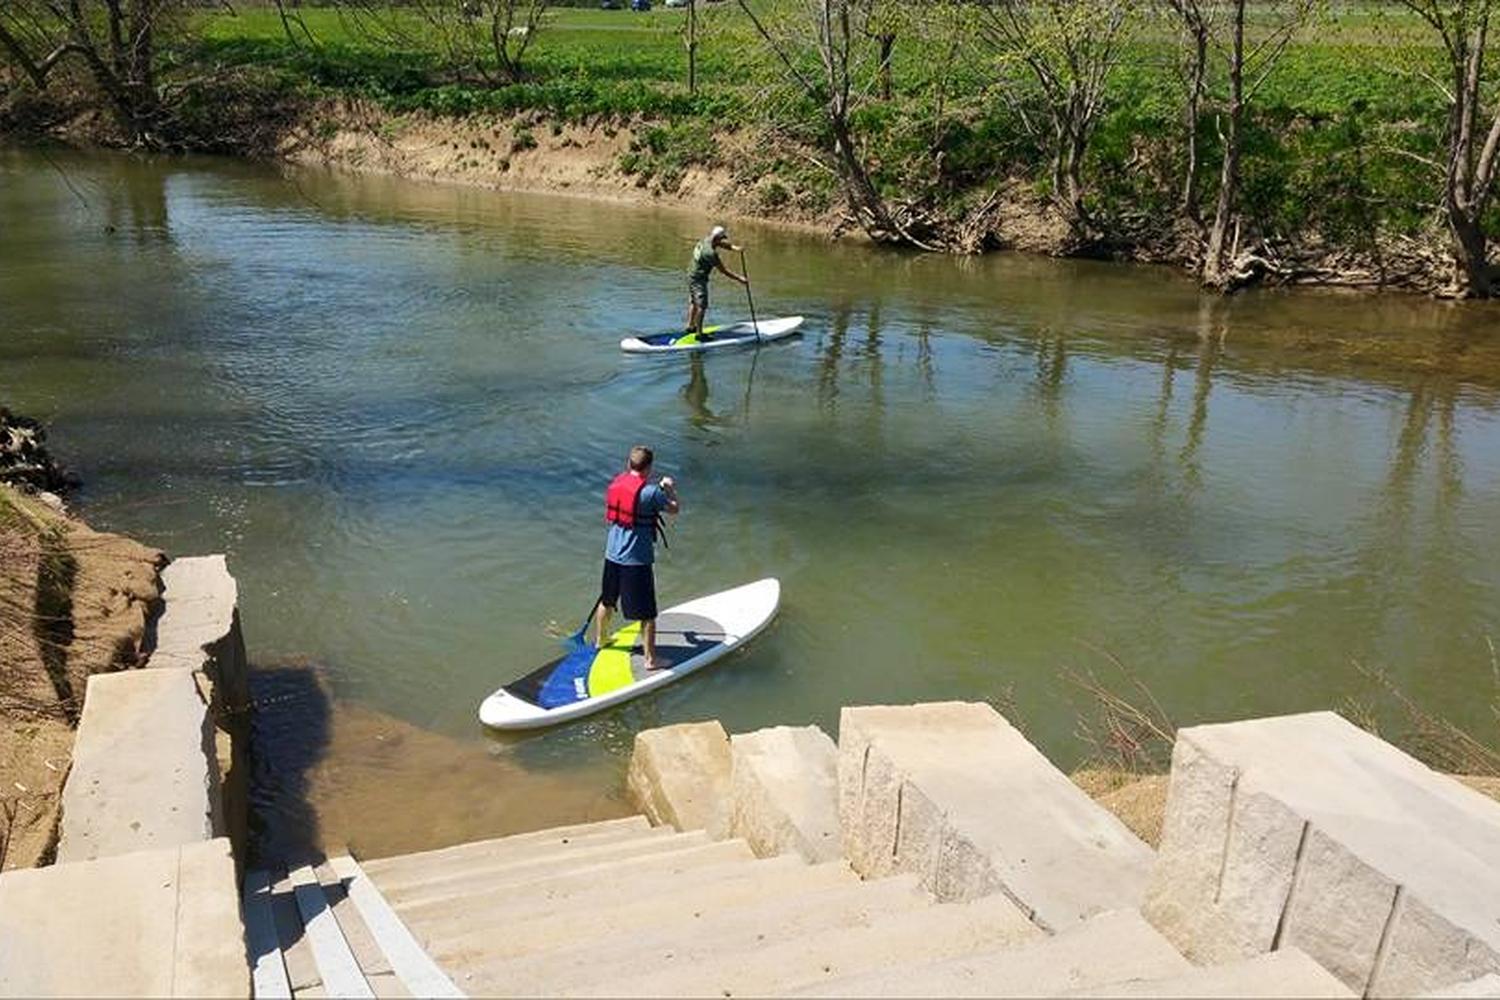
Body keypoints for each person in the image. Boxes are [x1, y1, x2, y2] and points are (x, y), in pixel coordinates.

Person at [594, 445, 680, 670]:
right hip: (637, 561)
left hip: (612, 555)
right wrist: (669, 489)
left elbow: (638, 502)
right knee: (648, 614)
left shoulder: (617, 484)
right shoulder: (652, 493)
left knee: (608, 600)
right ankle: (651, 660)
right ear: (649, 468)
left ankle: (600, 639)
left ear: (628, 464)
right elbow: (674, 509)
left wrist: (657, 490)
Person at [686, 225, 748, 339]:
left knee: (694, 302)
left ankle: (690, 327)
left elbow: (721, 244)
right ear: (717, 238)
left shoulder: (706, 239)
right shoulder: (710, 253)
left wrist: (735, 248)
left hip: (690, 274)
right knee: (702, 306)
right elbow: (723, 271)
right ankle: (699, 334)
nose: (722, 240)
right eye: (721, 238)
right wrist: (740, 279)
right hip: (698, 279)